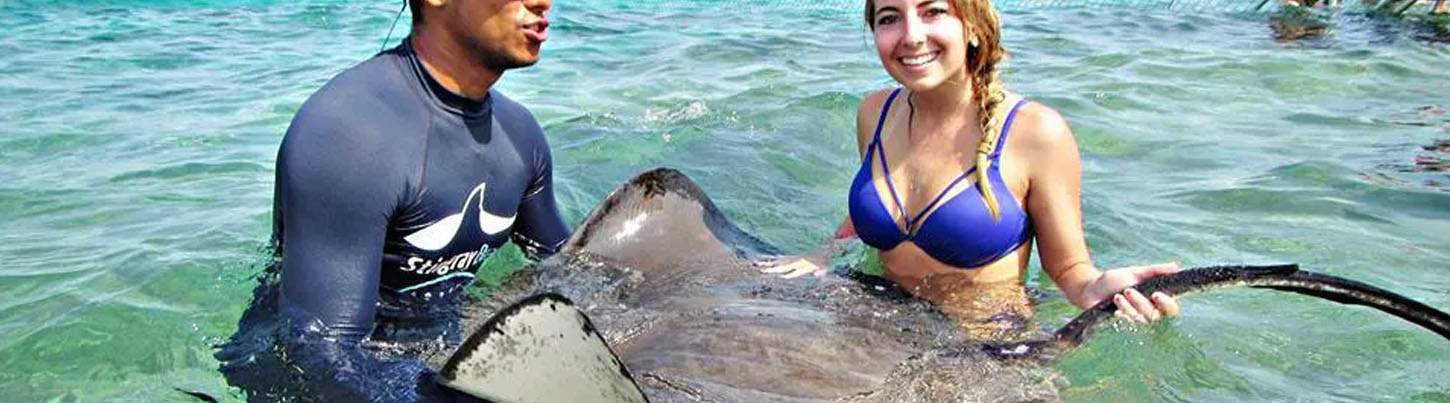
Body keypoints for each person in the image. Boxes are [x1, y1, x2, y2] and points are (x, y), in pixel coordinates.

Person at [215, 0, 567, 401]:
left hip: (437, 359)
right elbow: (317, 352)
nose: (542, 2)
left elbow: (574, 270)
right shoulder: (349, 133)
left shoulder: (520, 135)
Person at [764, 0, 1181, 329]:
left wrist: (1101, 291)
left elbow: (1071, 271)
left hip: (983, 345)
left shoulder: (1036, 131)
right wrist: (822, 254)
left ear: (974, 26)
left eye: (933, 11)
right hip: (874, 321)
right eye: (890, 18)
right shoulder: (875, 112)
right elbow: (870, 203)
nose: (911, 36)